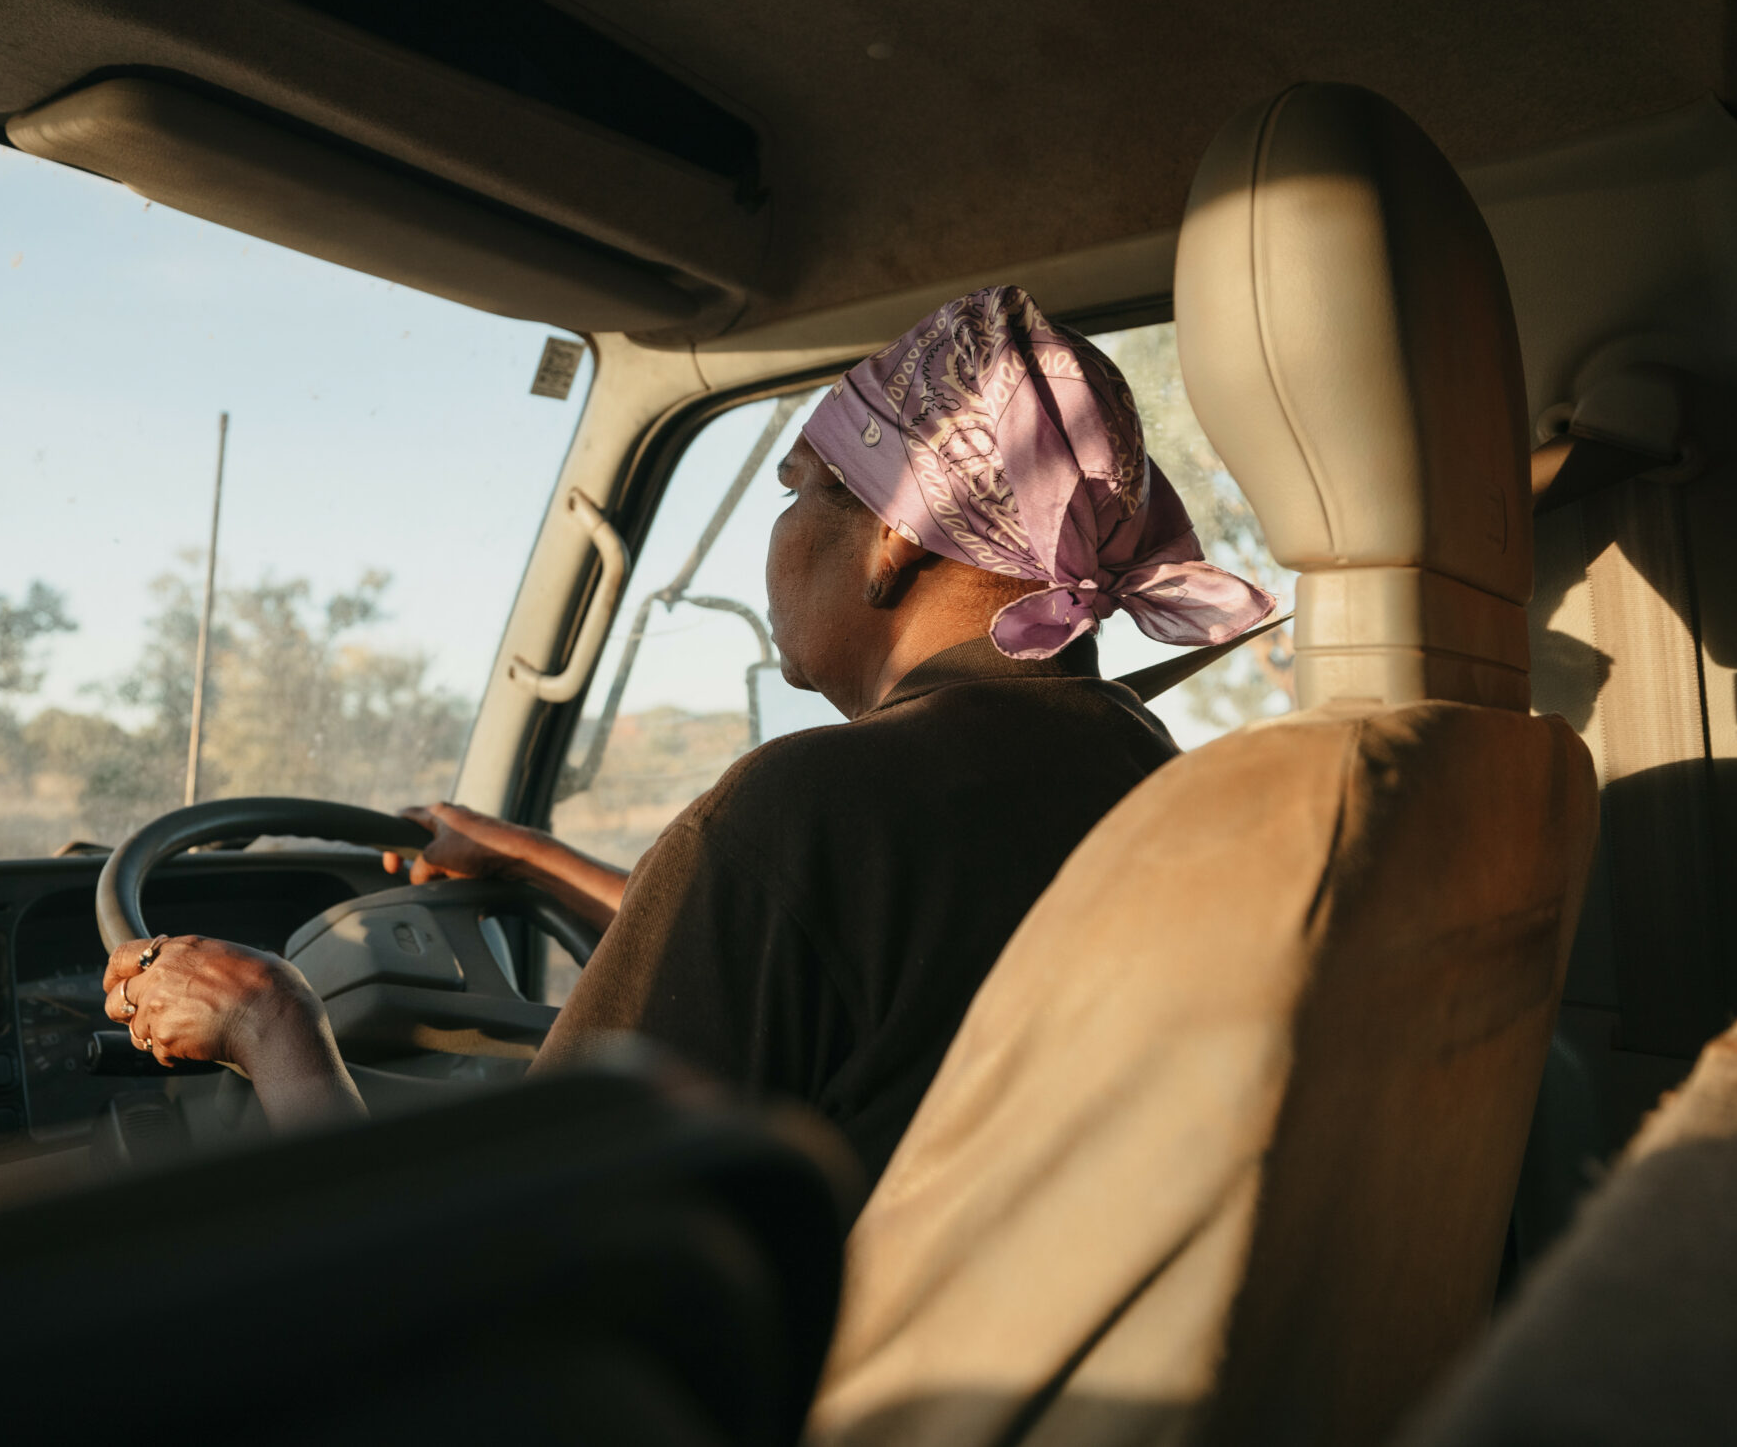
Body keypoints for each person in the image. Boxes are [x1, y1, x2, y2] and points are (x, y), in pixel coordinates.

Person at [104, 286, 1277, 1184]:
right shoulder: (1132, 766)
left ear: (893, 542)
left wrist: (274, 1025)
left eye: (798, 490)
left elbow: (508, 1266)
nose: (773, 537)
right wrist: (526, 858)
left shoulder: (810, 805)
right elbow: (823, 955)